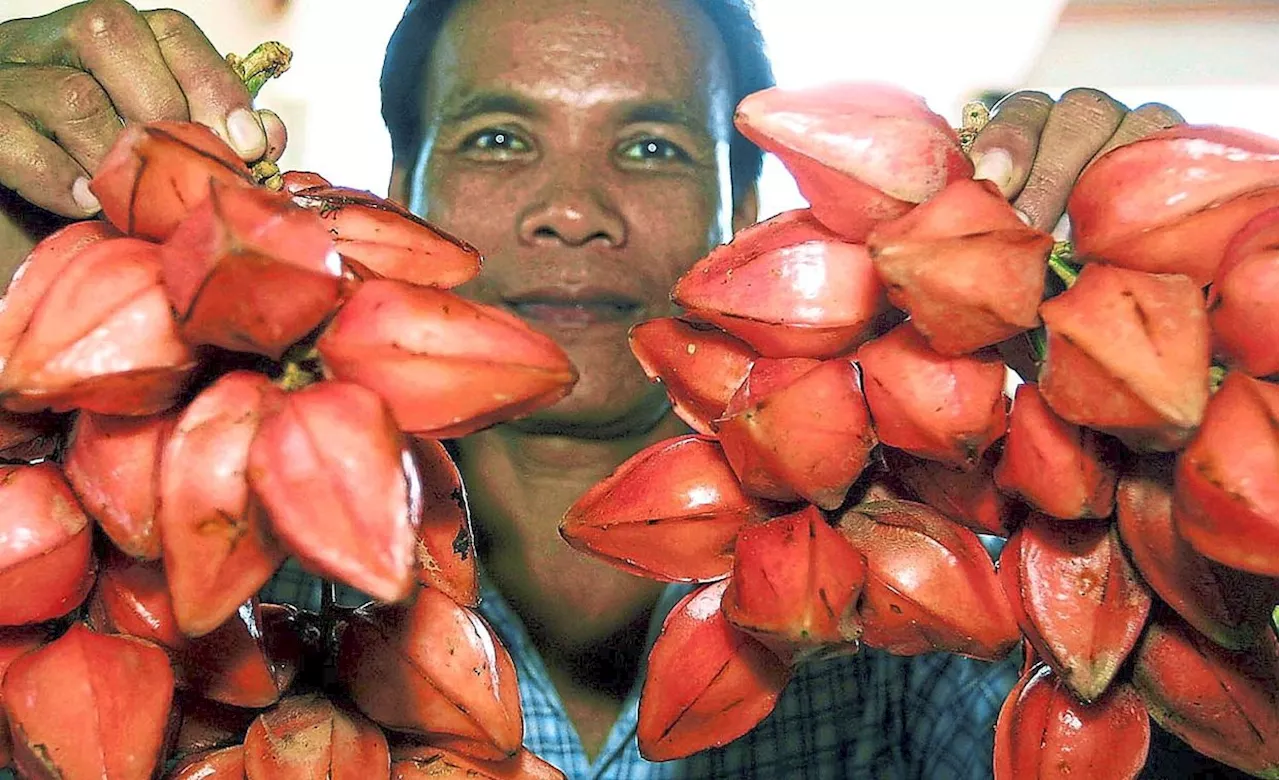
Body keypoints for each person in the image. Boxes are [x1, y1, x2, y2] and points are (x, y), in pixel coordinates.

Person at [0, 1, 1199, 778]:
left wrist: (1165, 452)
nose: (569, 212)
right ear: (386, 200)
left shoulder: (941, 583)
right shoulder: (203, 551)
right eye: (498, 139)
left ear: (745, 223)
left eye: (647, 147)